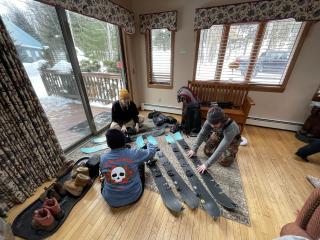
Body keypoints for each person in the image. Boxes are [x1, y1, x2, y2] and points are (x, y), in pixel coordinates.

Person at [100, 129, 157, 208]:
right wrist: (149, 144)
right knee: (140, 164)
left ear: (108, 144)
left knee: (105, 177)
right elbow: (151, 153)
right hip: (134, 196)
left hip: (111, 200)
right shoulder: (133, 153)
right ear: (124, 141)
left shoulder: (103, 158)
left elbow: (104, 173)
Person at [187, 105, 241, 173]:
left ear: (221, 121)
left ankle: (231, 152)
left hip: (232, 140)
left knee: (225, 162)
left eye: (215, 124)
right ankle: (219, 151)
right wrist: (194, 148)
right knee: (207, 151)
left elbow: (221, 148)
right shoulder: (210, 120)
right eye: (211, 123)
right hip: (219, 134)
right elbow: (202, 134)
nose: (212, 126)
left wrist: (207, 164)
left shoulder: (231, 128)